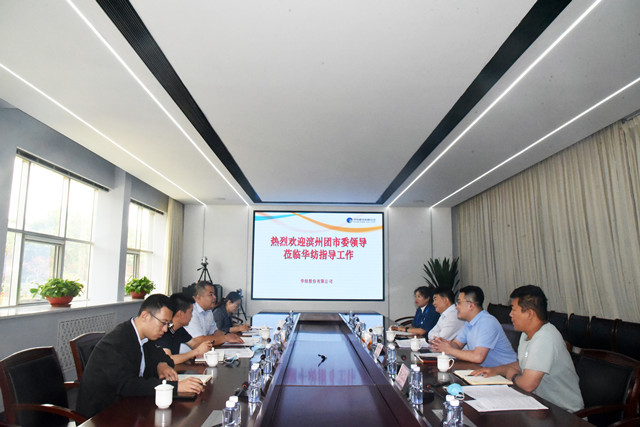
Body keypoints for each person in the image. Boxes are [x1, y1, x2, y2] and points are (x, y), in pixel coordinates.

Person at [76, 294, 204, 418]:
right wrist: (174, 387)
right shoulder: (117, 342)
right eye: (163, 323)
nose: (165, 329)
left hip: (129, 404)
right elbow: (128, 386)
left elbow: (163, 357)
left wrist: (162, 364)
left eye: (168, 324)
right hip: (103, 414)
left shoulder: (145, 338)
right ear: (145, 316)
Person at [471, 285, 584, 412]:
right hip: (539, 404)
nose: (510, 314)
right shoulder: (527, 334)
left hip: (563, 413)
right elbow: (523, 364)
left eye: (514, 309)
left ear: (529, 313)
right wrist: (495, 370)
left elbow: (528, 384)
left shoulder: (545, 338)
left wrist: (512, 376)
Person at [430, 285, 517, 367]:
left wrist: (449, 350)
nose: (456, 307)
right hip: (484, 370)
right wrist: (446, 345)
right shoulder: (469, 323)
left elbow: (478, 357)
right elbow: (457, 344)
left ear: (471, 305)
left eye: (459, 303)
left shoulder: (487, 322)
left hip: (505, 373)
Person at [182, 281, 243, 354]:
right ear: (198, 297)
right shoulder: (191, 312)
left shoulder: (208, 311)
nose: (214, 297)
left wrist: (229, 336)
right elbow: (198, 341)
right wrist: (225, 338)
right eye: (210, 294)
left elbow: (215, 332)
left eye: (214, 294)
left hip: (200, 352)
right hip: (186, 355)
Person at [155, 292, 213, 364]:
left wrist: (205, 346)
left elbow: (194, 344)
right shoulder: (163, 331)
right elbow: (168, 359)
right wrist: (196, 351)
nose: (192, 316)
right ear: (180, 314)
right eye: (190, 312)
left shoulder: (179, 329)